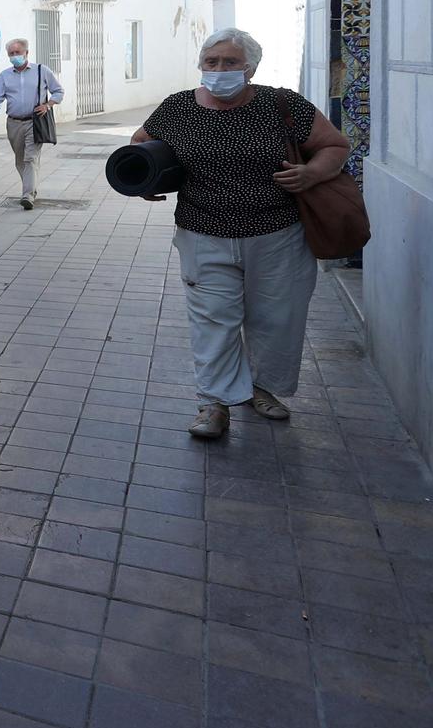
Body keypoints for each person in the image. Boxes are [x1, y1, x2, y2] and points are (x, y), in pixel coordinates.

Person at [131, 28, 350, 438]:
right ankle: (214, 403)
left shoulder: (282, 104)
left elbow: (334, 146)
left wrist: (311, 173)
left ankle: (263, 389)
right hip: (203, 231)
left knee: (276, 317)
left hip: (278, 233)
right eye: (211, 63)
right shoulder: (178, 108)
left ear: (250, 67)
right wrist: (147, 181)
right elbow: (142, 143)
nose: (219, 70)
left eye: (230, 62)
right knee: (213, 319)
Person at [0, 40, 62, 210]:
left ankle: (27, 195)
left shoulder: (42, 71)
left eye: (17, 52)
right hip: (13, 123)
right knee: (20, 160)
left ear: (26, 53)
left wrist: (48, 105)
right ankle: (31, 188)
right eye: (11, 54)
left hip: (34, 122)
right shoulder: (4, 75)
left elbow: (58, 91)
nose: (15, 56)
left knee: (30, 158)